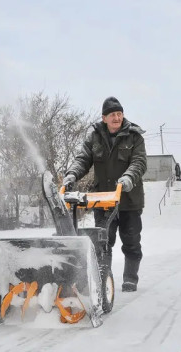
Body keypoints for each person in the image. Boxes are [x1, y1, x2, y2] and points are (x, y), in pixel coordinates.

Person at [63, 96, 147, 292]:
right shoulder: (94, 136)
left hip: (129, 200)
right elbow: (83, 159)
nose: (116, 118)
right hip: (103, 201)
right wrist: (71, 175)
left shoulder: (135, 137)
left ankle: (130, 279)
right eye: (112, 115)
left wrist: (127, 178)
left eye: (119, 114)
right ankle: (102, 280)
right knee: (102, 242)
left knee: (131, 241)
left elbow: (139, 162)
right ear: (104, 118)